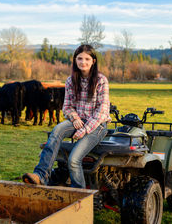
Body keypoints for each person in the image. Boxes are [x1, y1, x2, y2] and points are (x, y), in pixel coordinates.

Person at [22, 44, 111, 188]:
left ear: (93, 61)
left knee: (74, 159)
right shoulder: (71, 80)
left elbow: (102, 110)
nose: (83, 62)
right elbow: (67, 107)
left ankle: (80, 193)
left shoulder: (101, 80)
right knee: (56, 130)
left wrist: (84, 130)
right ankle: (41, 175)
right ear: (75, 60)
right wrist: (75, 118)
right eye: (80, 58)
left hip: (97, 126)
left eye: (87, 59)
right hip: (78, 121)